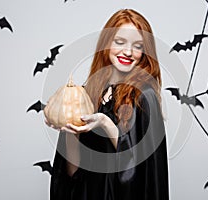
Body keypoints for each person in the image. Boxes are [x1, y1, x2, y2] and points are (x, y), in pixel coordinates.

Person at [46, 8, 169, 200]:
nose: (128, 52)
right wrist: (70, 132)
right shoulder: (89, 93)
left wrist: (105, 123)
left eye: (137, 46)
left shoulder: (145, 96)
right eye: (119, 42)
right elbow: (73, 175)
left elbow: (140, 174)